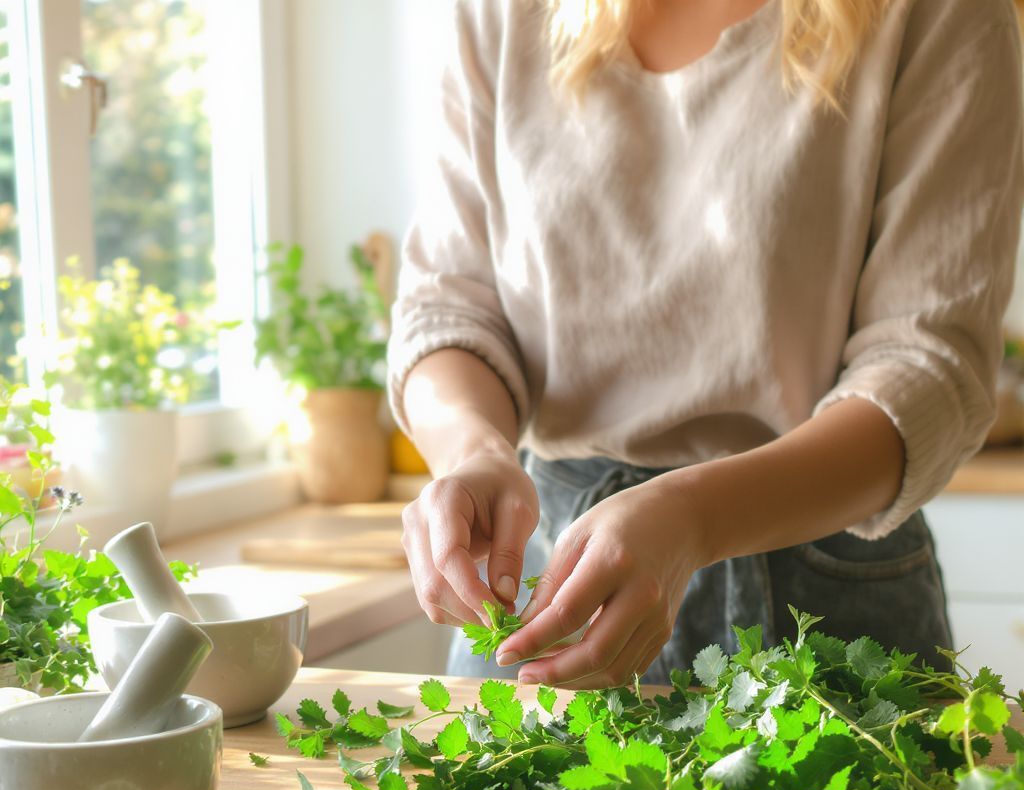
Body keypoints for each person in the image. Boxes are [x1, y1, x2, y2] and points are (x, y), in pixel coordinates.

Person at [387, 0, 1024, 690]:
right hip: (540, 574)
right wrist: (472, 453)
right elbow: (449, 307)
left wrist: (693, 516)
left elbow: (928, 370)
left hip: (827, 587)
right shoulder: (501, 14)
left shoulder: (939, 12)